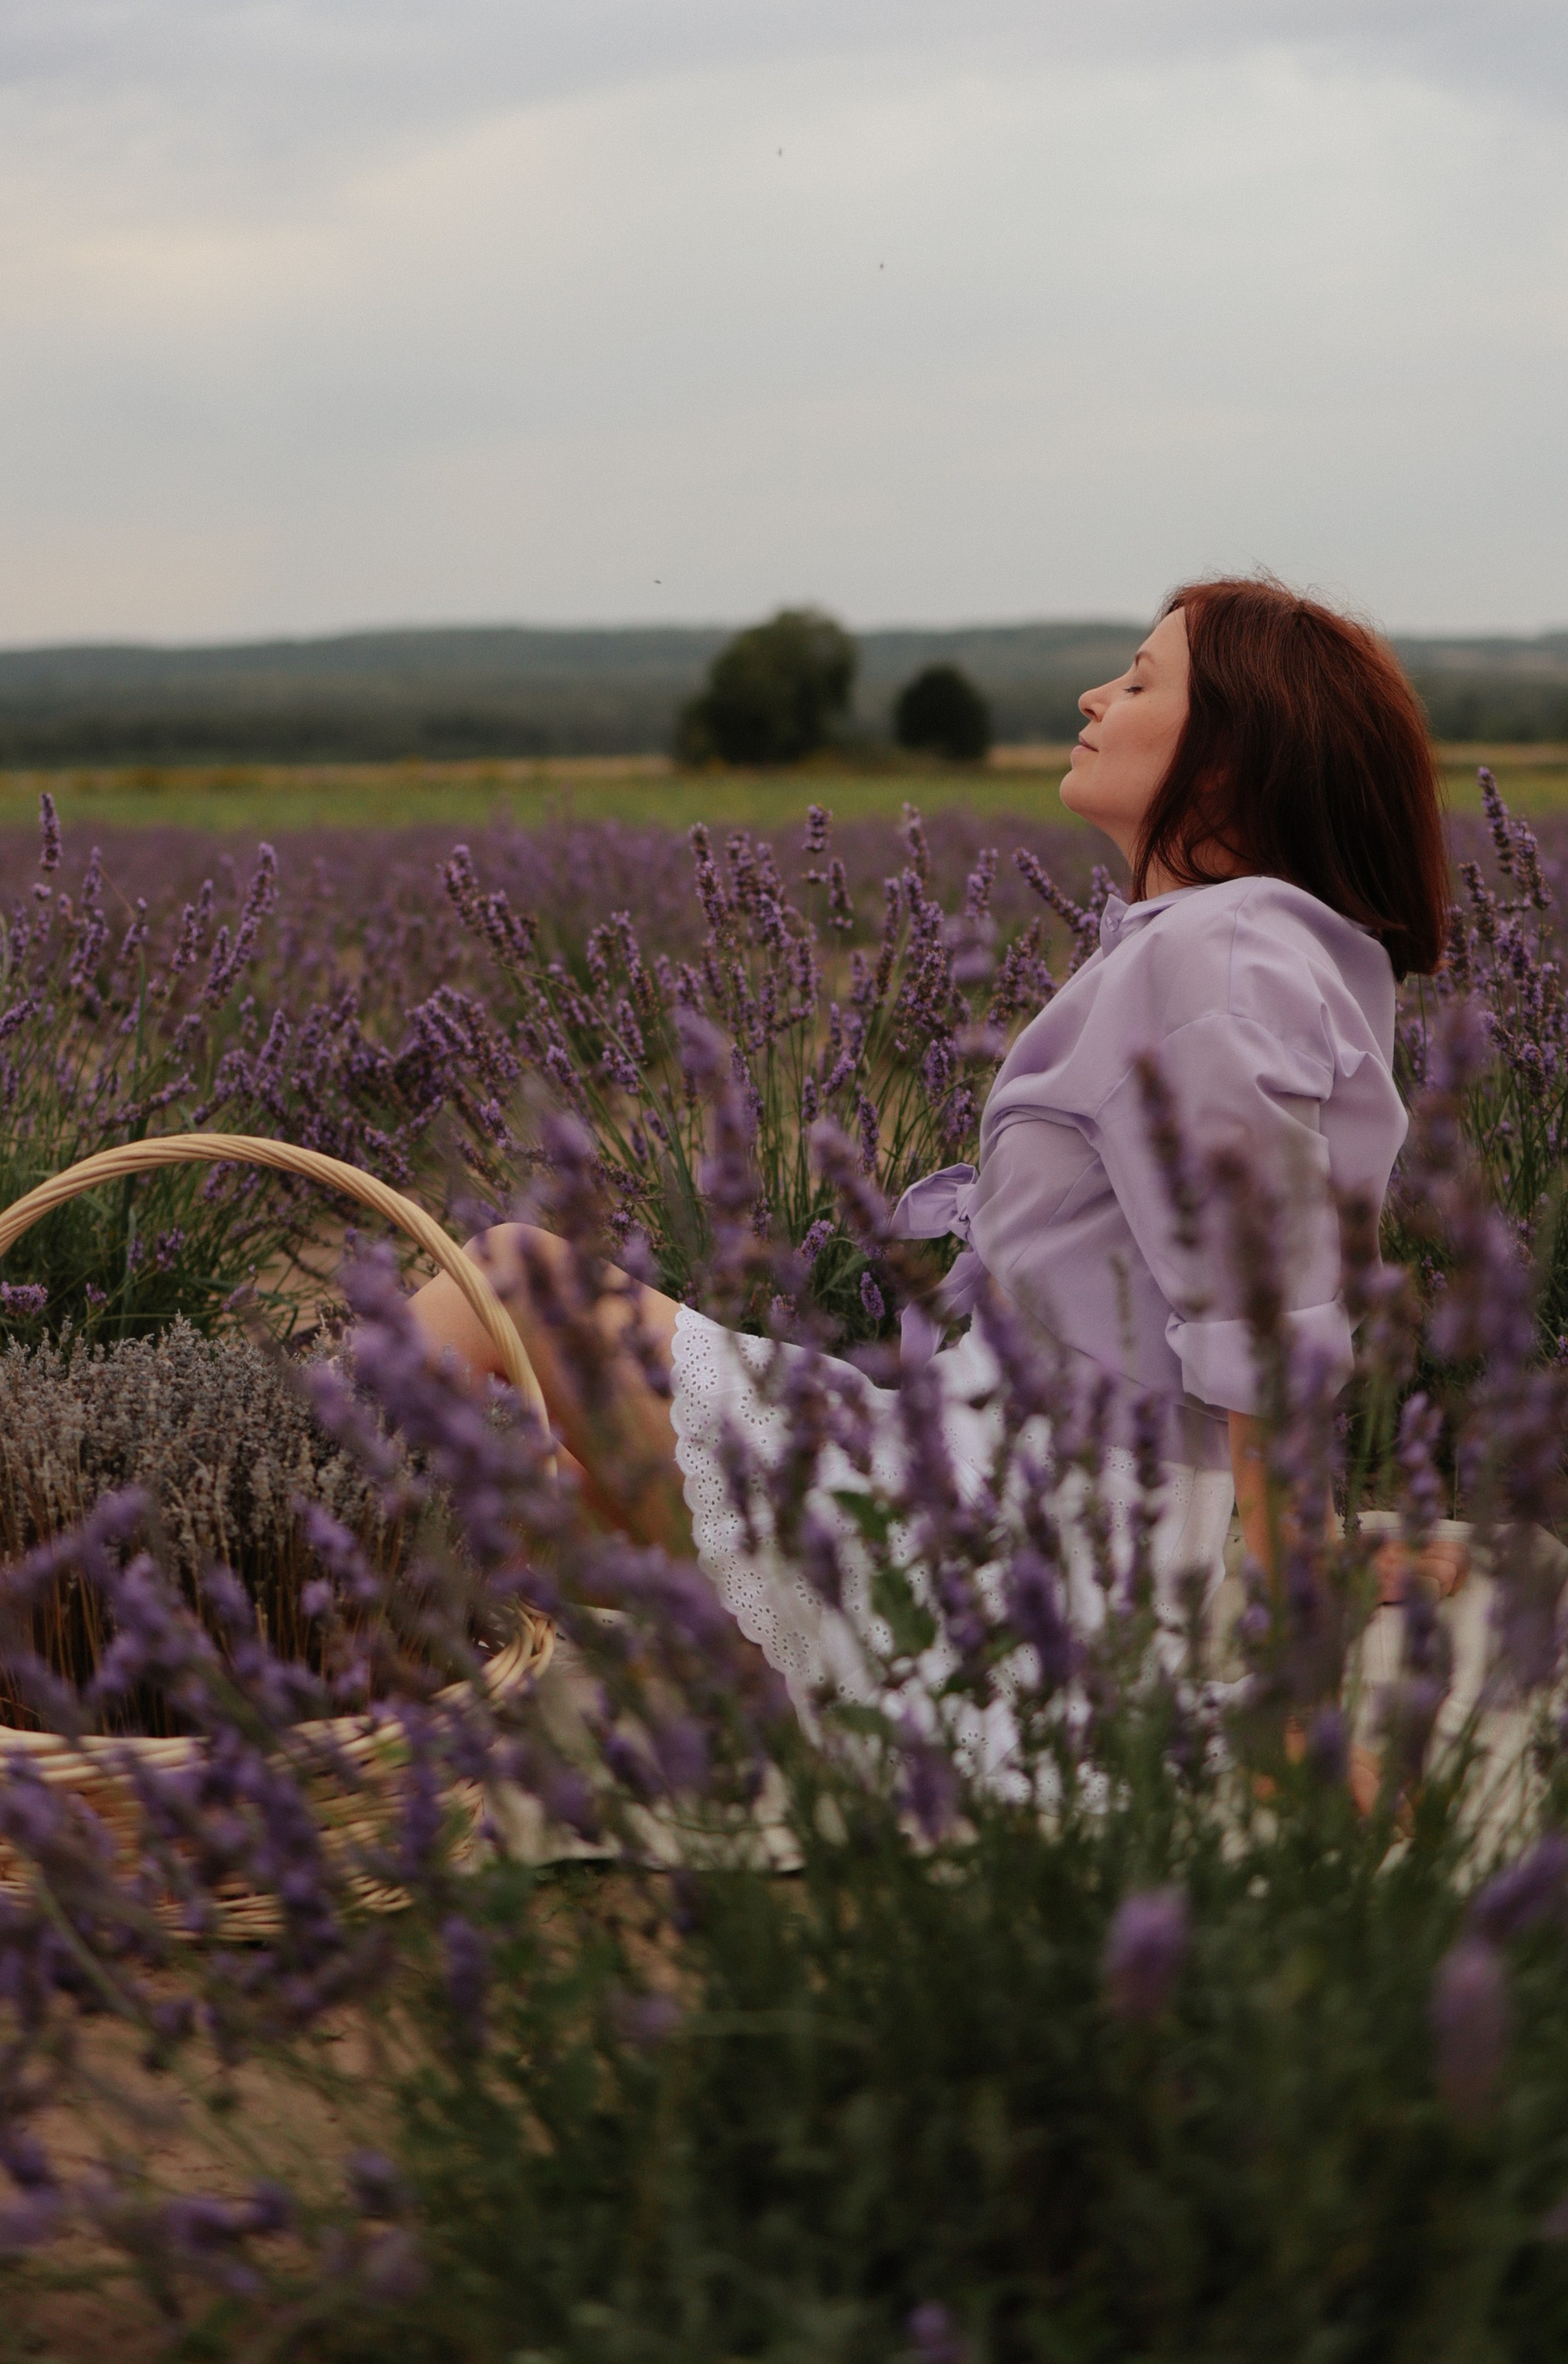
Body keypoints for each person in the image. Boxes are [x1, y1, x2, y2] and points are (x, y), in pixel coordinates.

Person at [409, 578, 1460, 1737]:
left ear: (1225, 765)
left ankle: (269, 1663)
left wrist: (1302, 1709)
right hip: (1009, 1488)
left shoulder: (1215, 961)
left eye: (1143, 679)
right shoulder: (1234, 950)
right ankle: (290, 1608)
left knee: (505, 1279)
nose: (1095, 693)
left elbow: (1265, 1323)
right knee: (533, 1514)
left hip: (1010, 1542)